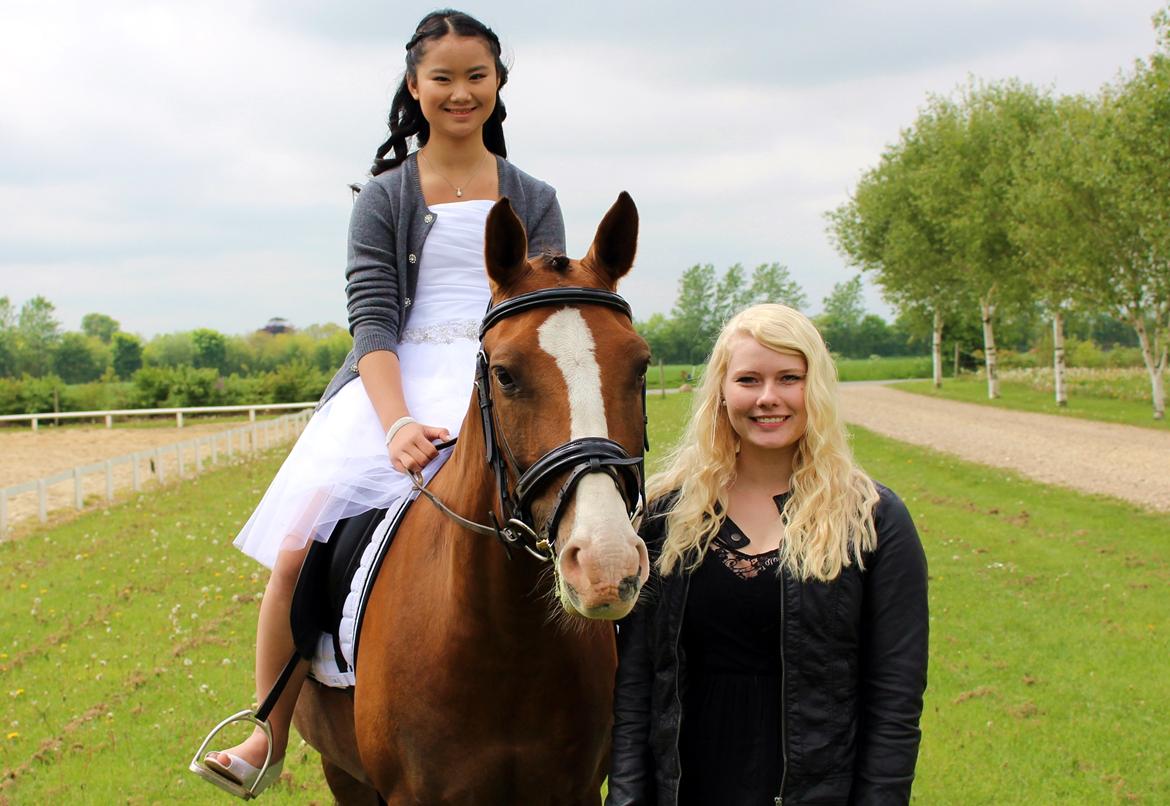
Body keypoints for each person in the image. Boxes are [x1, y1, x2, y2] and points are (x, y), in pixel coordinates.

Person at [189, 10, 565, 798]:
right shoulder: (386, 197)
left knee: (585, 520)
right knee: (298, 549)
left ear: (499, 84)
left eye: (477, 77)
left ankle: (624, 708)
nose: (461, 93)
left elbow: (547, 315)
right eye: (443, 78)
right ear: (414, 86)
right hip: (395, 381)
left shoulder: (536, 194)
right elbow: (374, 324)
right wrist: (393, 424)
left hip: (503, 382)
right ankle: (267, 731)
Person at [606, 304, 929, 806]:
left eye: (789, 378)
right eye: (749, 379)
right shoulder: (665, 516)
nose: (768, 398)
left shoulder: (873, 521)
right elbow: (636, 683)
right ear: (721, 391)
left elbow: (895, 701)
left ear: (815, 387)